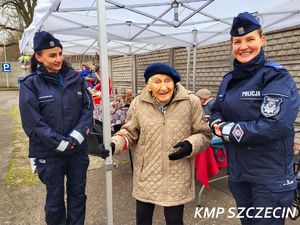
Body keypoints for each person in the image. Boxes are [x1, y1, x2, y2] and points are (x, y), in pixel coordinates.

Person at [209, 12, 300, 225]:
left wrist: (228, 130)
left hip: (269, 178)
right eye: (237, 41)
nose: (243, 46)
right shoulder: (228, 80)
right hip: (239, 173)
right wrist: (216, 123)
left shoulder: (276, 76)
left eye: (250, 39)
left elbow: (275, 124)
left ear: (262, 39)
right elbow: (216, 110)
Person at [98, 62, 211, 225]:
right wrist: (114, 144)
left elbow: (204, 134)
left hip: (177, 174)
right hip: (147, 174)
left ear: (174, 83)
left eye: (168, 81)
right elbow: (129, 132)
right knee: (143, 220)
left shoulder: (191, 102)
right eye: (157, 81)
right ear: (149, 86)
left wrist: (190, 144)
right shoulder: (138, 103)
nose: (163, 87)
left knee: (174, 221)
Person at [19, 31, 93, 225]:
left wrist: (75, 139)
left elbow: (87, 110)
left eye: (60, 53)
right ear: (38, 56)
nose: (59, 58)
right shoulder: (30, 85)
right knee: (55, 201)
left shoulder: (76, 79)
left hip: (77, 152)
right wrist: (60, 143)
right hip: (49, 154)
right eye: (52, 55)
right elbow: (33, 123)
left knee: (78, 197)